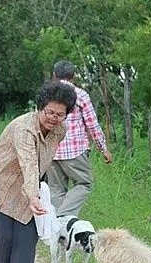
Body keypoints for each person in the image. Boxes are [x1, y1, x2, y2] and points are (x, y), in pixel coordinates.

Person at [0, 81, 77, 263]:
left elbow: (42, 161)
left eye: (60, 114)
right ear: (40, 107)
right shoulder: (24, 128)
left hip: (29, 185)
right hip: (1, 182)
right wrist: (33, 196)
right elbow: (28, 161)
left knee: (27, 235)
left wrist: (36, 194)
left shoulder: (60, 130)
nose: (53, 118)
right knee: (6, 238)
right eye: (49, 112)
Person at [47, 60, 113, 217]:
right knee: (84, 183)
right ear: (74, 76)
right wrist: (103, 148)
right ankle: (62, 217)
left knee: (56, 189)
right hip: (74, 150)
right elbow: (92, 124)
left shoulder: (48, 95)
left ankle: (58, 231)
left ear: (54, 75)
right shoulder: (81, 95)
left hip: (51, 150)